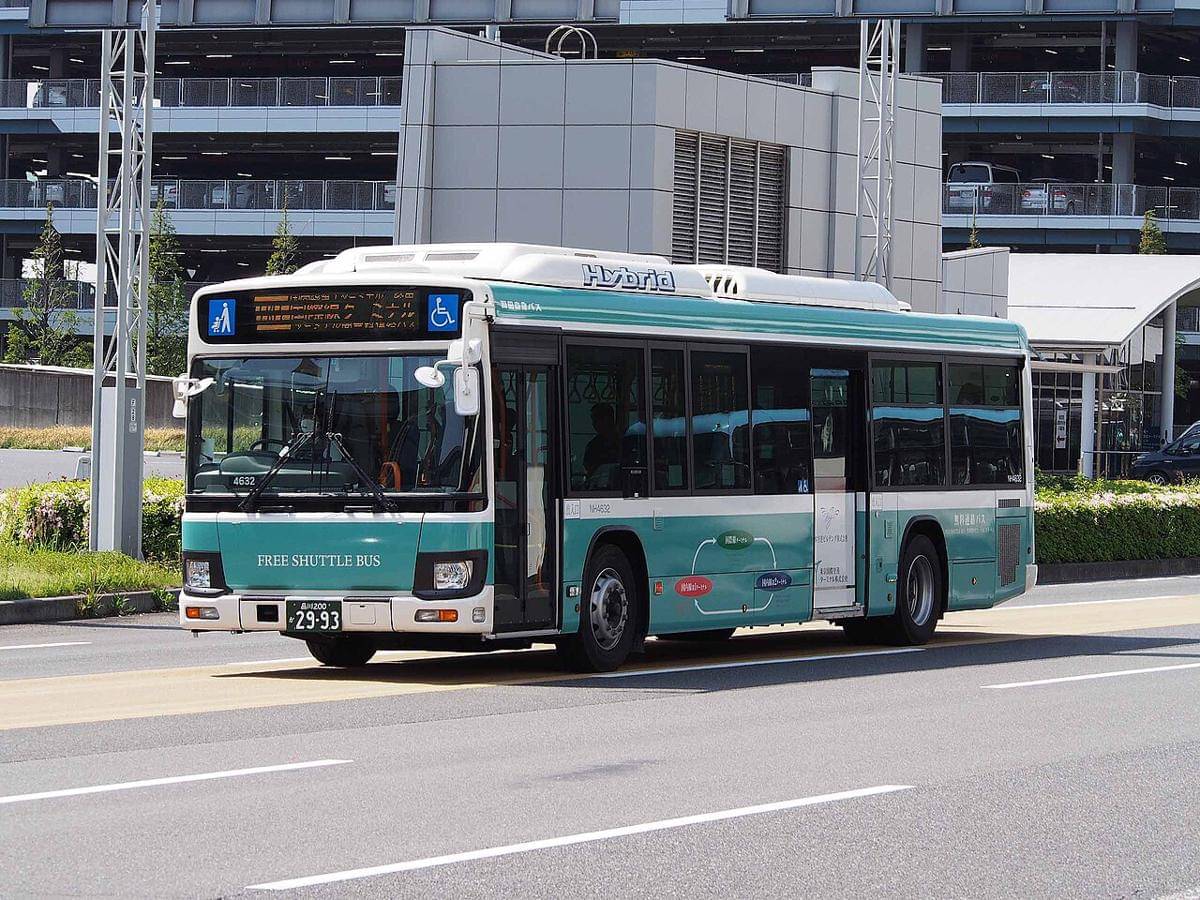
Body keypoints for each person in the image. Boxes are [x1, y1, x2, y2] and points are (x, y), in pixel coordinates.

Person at [583, 403, 622, 487]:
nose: (593, 424)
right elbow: (589, 469)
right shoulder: (593, 445)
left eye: (595, 420)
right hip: (599, 488)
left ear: (606, 419)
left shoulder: (624, 442)